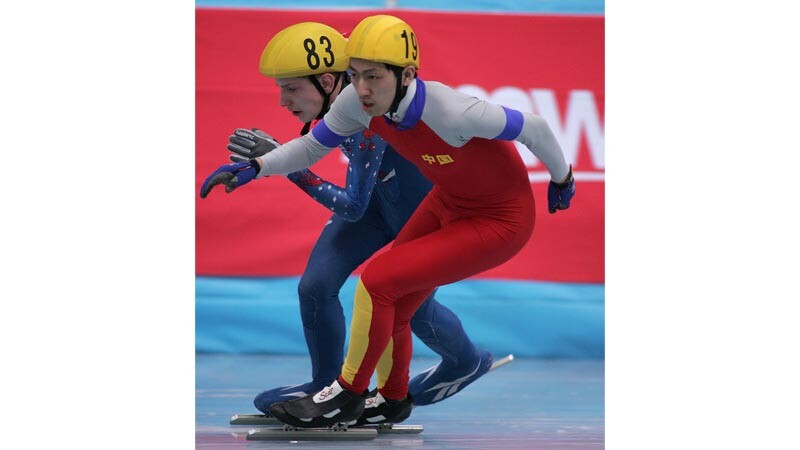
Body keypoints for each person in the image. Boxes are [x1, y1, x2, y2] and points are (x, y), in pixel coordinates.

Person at [200, 15, 575, 428]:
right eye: (355, 74)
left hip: (499, 220)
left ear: (407, 75)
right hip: (445, 200)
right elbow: (309, 148)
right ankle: (391, 399)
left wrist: (563, 177)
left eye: (374, 77)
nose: (362, 89)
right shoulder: (354, 102)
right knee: (389, 298)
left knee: (378, 285)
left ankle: (346, 394)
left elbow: (535, 128)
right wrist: (256, 166)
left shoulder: (449, 109)